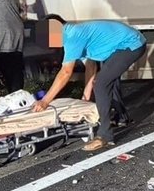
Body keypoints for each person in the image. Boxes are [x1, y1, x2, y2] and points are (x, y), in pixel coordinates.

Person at [33, 15, 146, 151]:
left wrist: (45, 101)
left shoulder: (72, 37)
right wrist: (86, 96)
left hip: (131, 44)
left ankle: (105, 136)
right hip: (124, 44)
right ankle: (121, 117)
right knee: (108, 78)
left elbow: (65, 73)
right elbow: (90, 65)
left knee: (101, 84)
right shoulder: (72, 32)